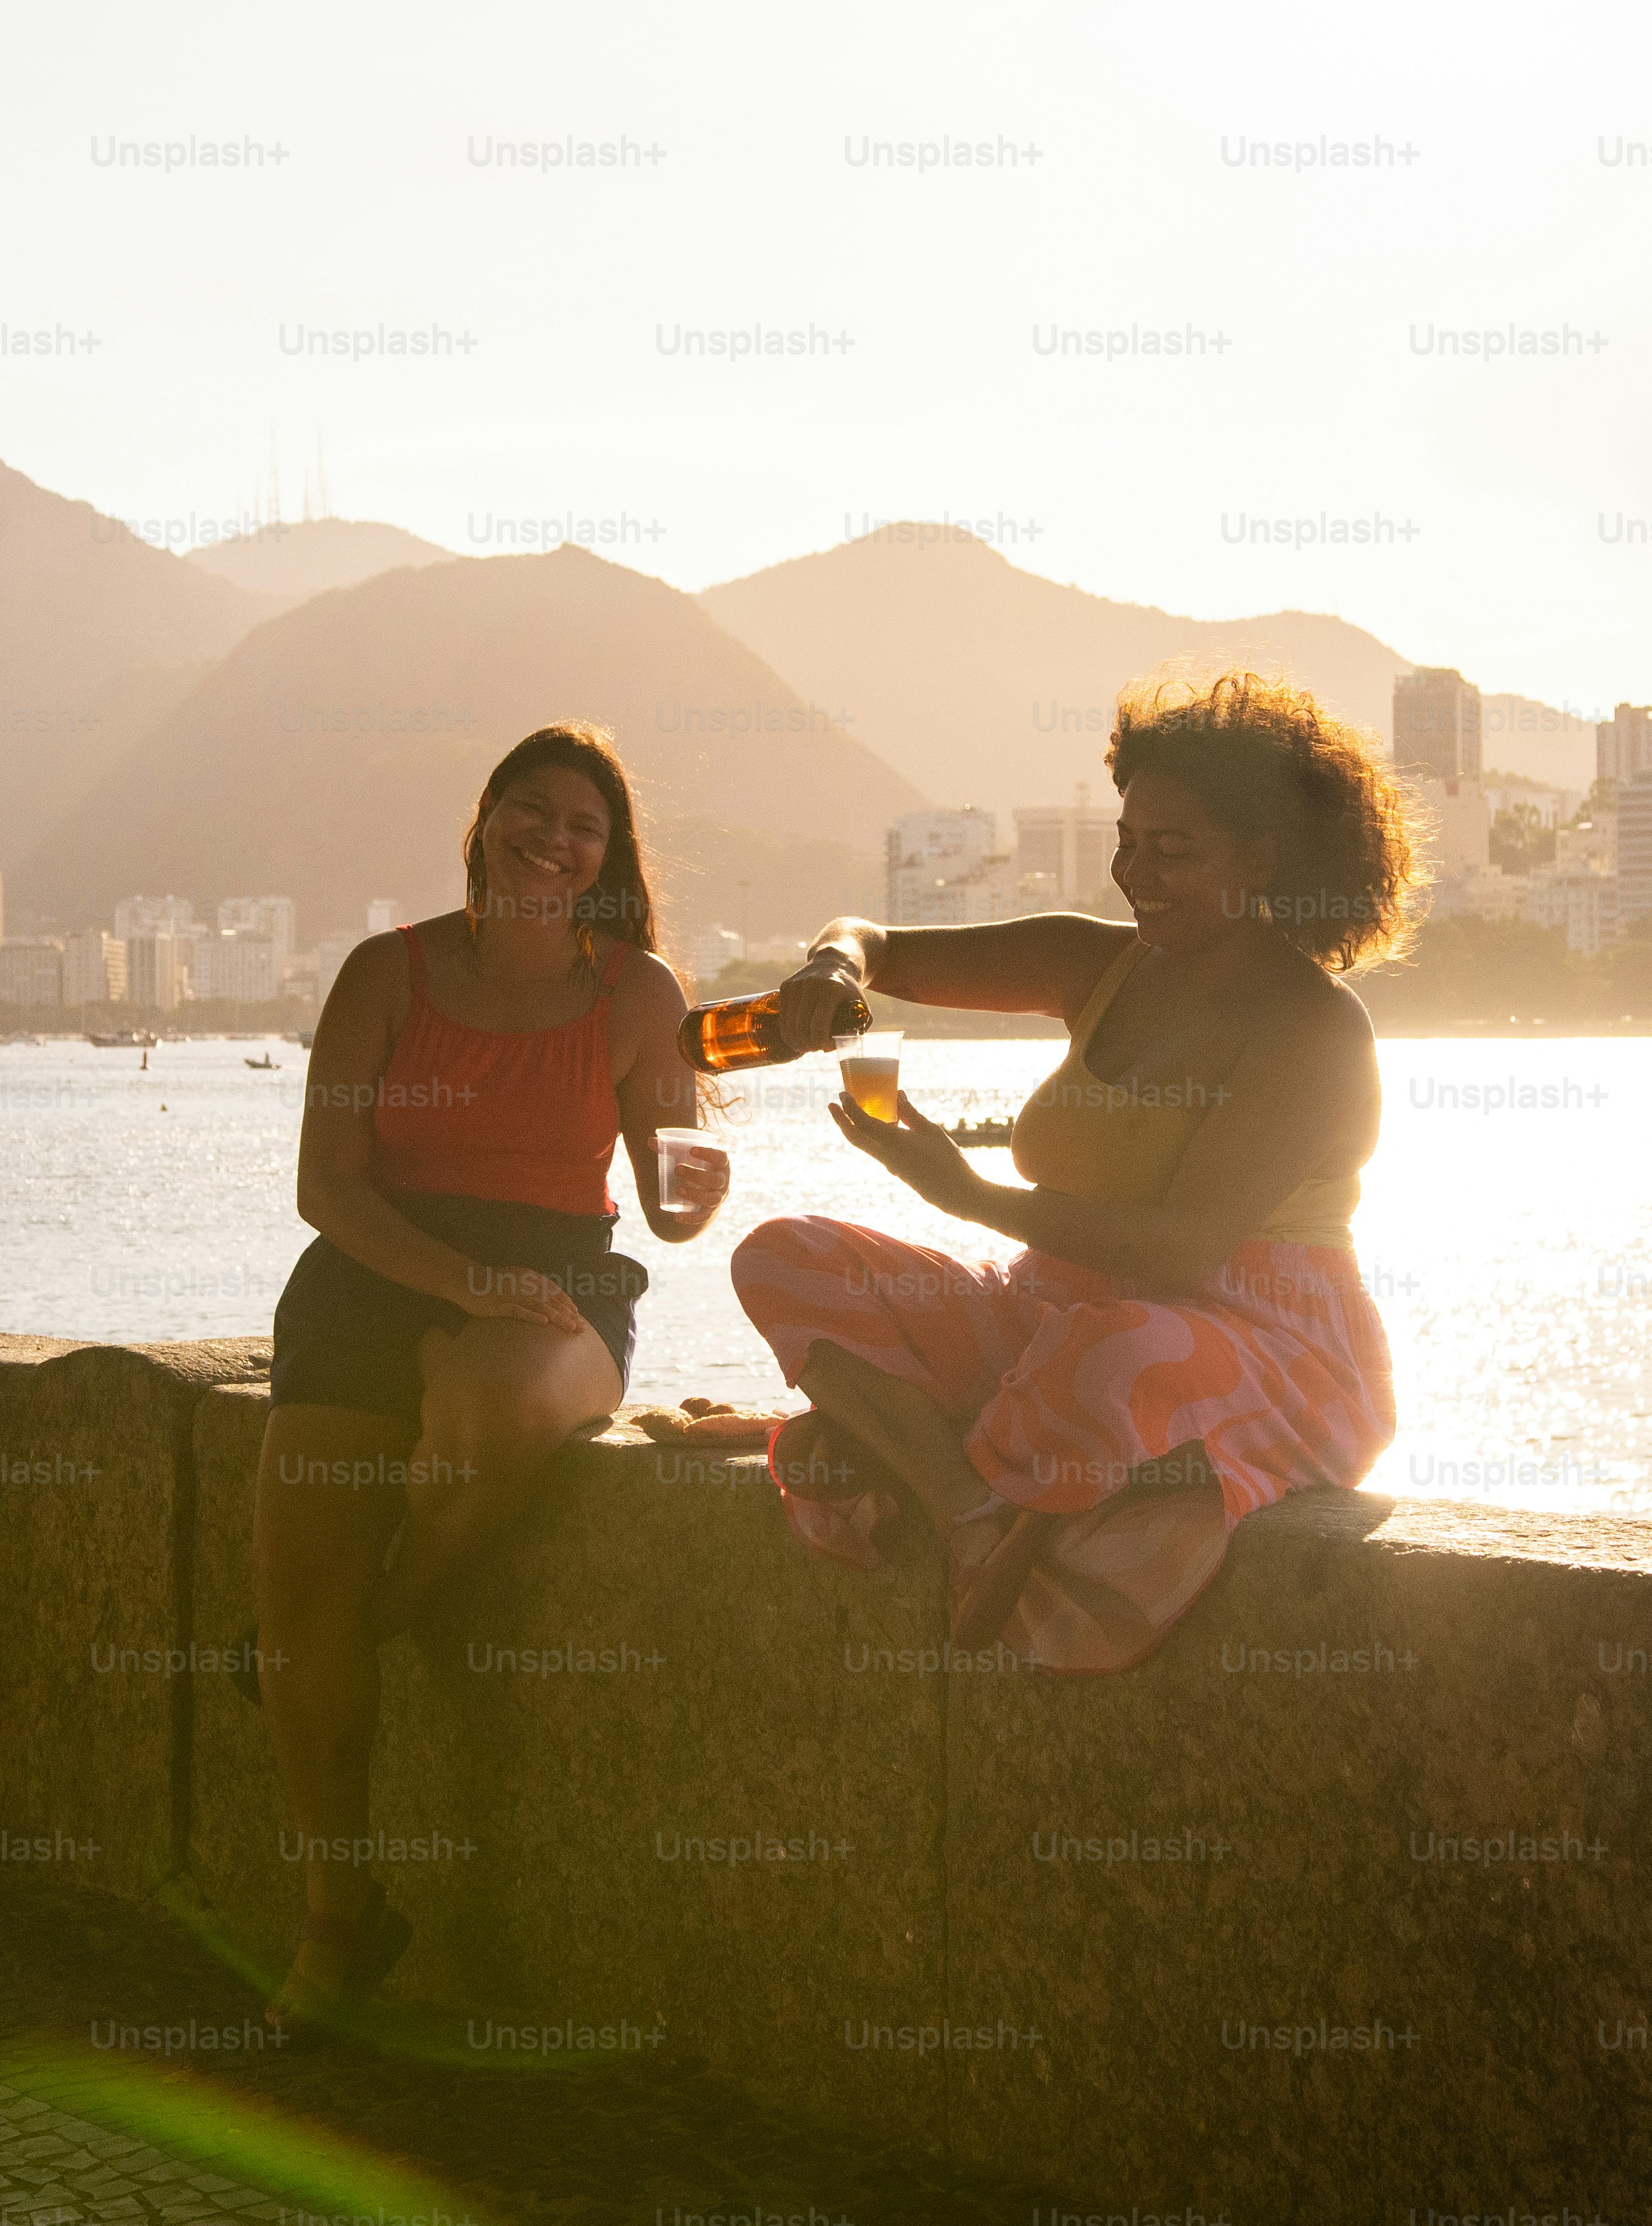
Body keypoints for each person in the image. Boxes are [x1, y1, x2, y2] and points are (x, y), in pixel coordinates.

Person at [729, 669, 1405, 1671]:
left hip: (1260, 1337)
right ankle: (973, 1513)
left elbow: (1187, 1249)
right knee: (783, 1257)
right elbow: (872, 941)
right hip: (1053, 1309)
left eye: (1175, 851)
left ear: (1266, 857)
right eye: (1128, 842)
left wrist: (961, 1192)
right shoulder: (1094, 962)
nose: (1138, 873)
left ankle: (927, 1455)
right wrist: (835, 971)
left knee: (1114, 1356)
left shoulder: (1312, 1027)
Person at [251, 722, 724, 2031]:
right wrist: (455, 1283)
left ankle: (371, 1623)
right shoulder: (384, 974)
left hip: (560, 1275)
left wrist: (698, 1185)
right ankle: (341, 1916)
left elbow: (671, 1206)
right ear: (484, 823)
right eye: (530, 810)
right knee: (299, 1595)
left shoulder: (638, 993)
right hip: (376, 1265)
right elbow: (325, 1186)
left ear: (605, 859)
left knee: (499, 1412)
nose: (552, 837)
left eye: (583, 825)